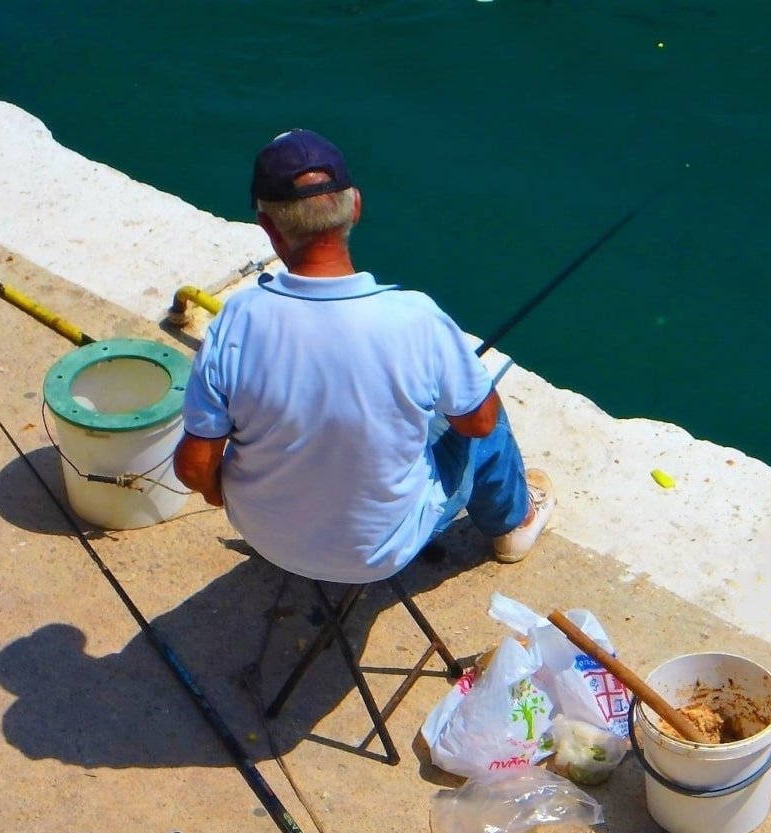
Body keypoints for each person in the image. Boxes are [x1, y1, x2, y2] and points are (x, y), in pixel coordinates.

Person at [173, 128, 555, 584]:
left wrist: (222, 496)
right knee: (481, 407)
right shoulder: (416, 319)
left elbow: (194, 466)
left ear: (268, 226)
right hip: (379, 555)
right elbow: (478, 424)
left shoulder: (236, 320)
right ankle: (516, 523)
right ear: (355, 205)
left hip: (262, 533)